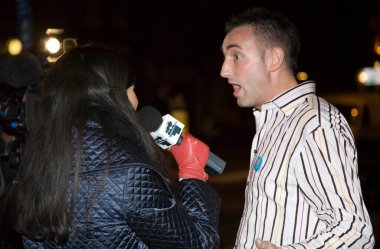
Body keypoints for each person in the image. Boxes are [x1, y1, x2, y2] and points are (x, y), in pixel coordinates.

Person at [2, 45, 221, 248]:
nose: (136, 101)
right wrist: (192, 173)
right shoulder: (131, 173)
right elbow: (197, 243)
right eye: (132, 89)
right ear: (112, 97)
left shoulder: (36, 162)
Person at [220, 7, 375, 249]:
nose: (224, 70)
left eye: (236, 57)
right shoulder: (274, 123)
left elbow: (355, 231)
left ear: (274, 59)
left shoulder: (315, 124)